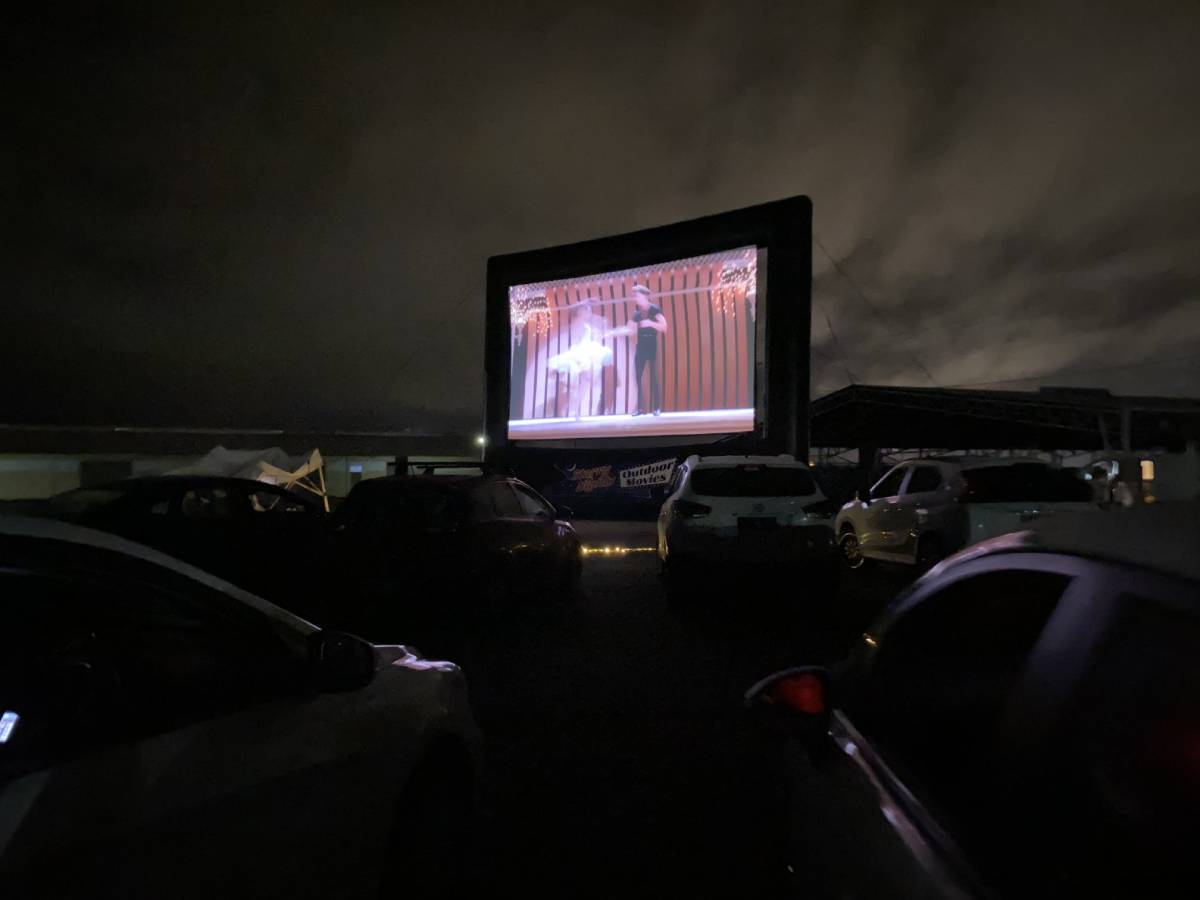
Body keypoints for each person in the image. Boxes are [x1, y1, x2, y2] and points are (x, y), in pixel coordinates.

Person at [613, 284, 668, 416]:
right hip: (641, 345)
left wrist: (651, 323)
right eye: (634, 296)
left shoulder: (655, 310)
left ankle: (657, 407)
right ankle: (641, 408)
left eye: (636, 296)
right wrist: (615, 332)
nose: (635, 299)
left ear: (645, 296)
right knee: (638, 376)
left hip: (652, 344)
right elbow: (629, 330)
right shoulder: (636, 314)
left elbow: (664, 327)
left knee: (654, 376)